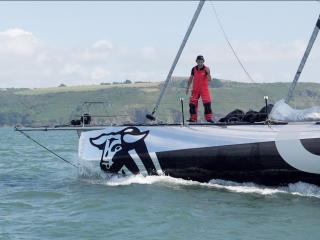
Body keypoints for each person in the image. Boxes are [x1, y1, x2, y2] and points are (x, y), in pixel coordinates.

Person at [186, 55, 213, 122]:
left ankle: (209, 119)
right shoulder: (193, 69)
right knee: (192, 104)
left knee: (207, 104)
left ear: (203, 61)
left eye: (201, 61)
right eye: (198, 61)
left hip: (204, 89)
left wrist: (208, 73)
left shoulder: (206, 69)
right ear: (196, 62)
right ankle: (193, 119)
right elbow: (191, 78)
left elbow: (209, 79)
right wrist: (187, 87)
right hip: (195, 89)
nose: (200, 63)